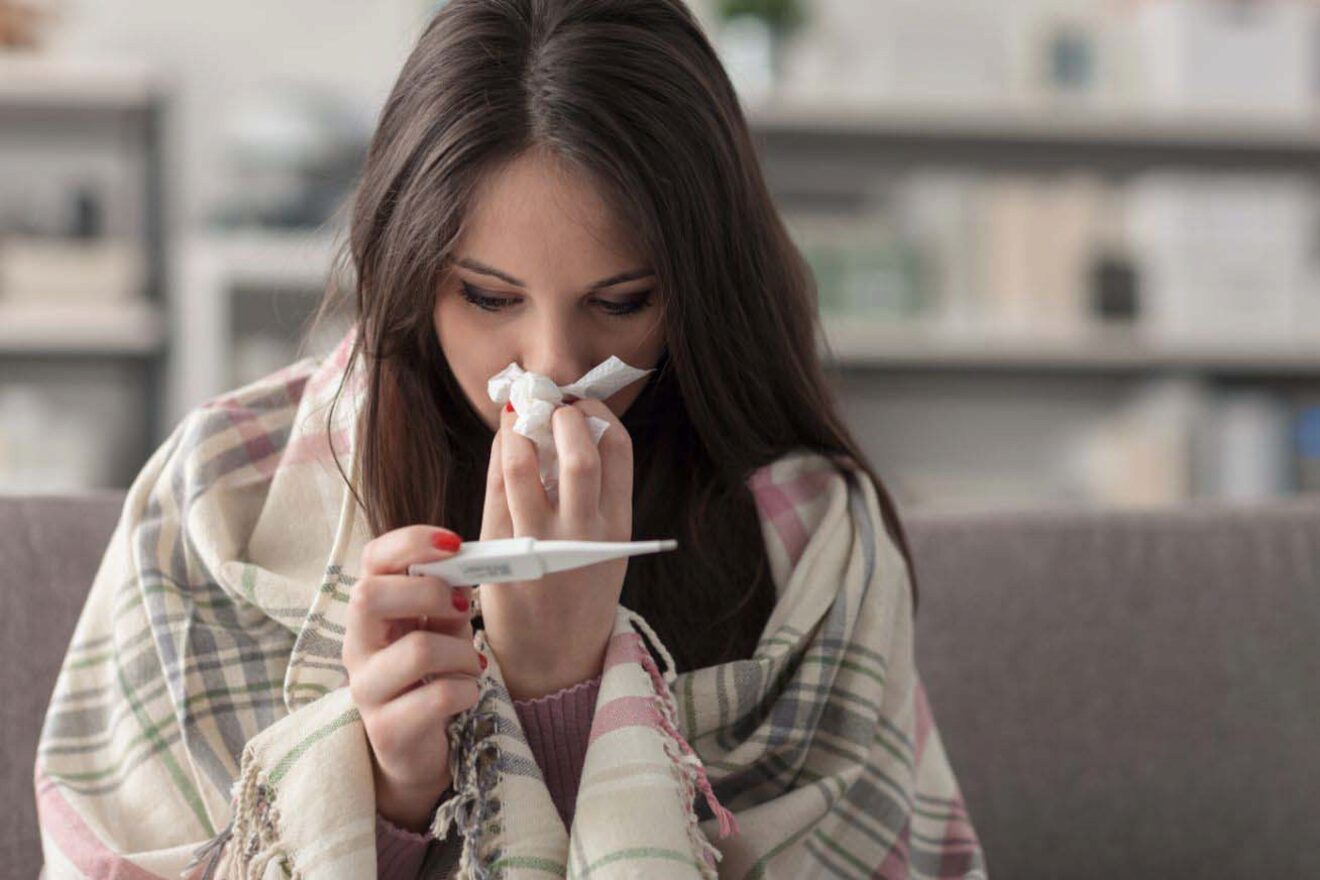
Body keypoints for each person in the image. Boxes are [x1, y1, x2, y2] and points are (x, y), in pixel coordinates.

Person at [32, 1, 987, 877]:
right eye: (488, 297)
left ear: (699, 285)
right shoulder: (218, 499)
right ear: (409, 269)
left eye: (622, 302)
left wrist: (562, 696)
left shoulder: (816, 542)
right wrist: (388, 790)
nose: (552, 366)